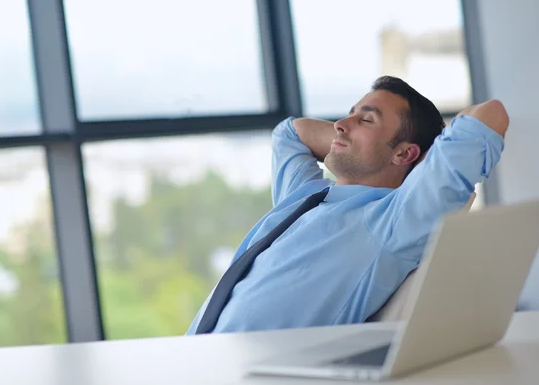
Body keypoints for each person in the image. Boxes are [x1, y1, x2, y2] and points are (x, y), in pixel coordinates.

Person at [186, 76, 509, 335]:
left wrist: (422, 163)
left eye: (365, 120)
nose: (341, 123)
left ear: (405, 154)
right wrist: (353, 142)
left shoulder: (394, 221)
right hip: (193, 359)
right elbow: (289, 134)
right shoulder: (305, 195)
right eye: (350, 113)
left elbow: (491, 114)